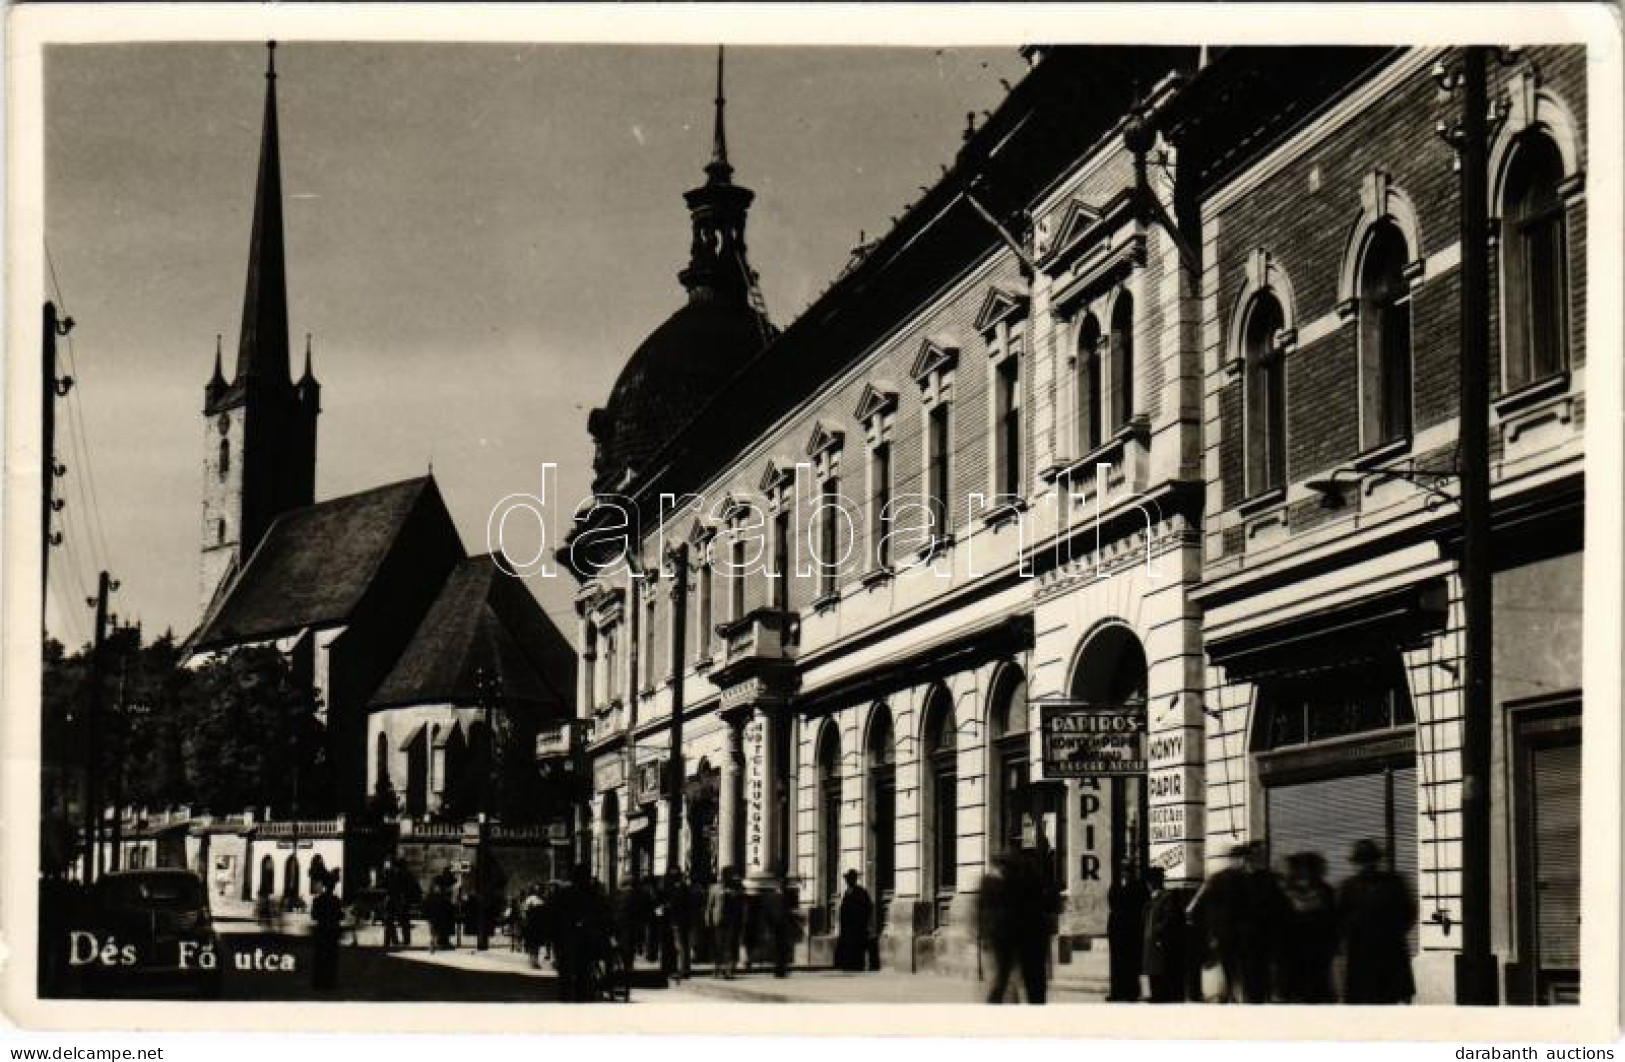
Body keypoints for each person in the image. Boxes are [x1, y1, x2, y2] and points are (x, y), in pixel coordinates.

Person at [1338, 839, 1417, 1004]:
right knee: (1362, 999)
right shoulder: (1347, 887)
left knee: (1388, 998)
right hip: (1360, 953)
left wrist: (1392, 932)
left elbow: (1408, 913)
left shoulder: (1394, 883)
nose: (1365, 865)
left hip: (1389, 952)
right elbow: (1339, 917)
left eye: (1369, 860)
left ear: (1376, 861)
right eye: (1361, 861)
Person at [979, 849, 1059, 1004]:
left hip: (1014, 939)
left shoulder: (997, 882)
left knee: (1005, 982)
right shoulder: (1026, 880)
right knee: (1027, 984)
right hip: (1021, 939)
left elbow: (988, 912)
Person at [1279, 852, 1338, 1004]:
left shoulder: (1325, 892)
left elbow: (1334, 924)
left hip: (1316, 955)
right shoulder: (1285, 894)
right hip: (1295, 956)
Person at [1141, 866, 1192, 1003]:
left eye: (1152, 882)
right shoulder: (1151, 901)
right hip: (1150, 942)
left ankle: (1161, 996)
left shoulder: (1167, 898)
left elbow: (1169, 919)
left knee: (1161, 971)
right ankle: (1156, 995)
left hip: (1159, 942)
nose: (1149, 885)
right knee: (1153, 972)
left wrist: (1158, 932)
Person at [1106, 860, 1150, 1001]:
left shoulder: (1139, 887)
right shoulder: (1117, 886)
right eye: (1124, 870)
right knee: (1117, 962)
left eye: (1128, 870)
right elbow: (1112, 903)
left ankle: (1130, 991)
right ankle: (1117, 991)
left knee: (1131, 963)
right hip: (1117, 930)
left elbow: (1143, 907)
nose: (1126, 873)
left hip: (1132, 930)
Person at [706, 866, 745, 979]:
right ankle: (717, 969)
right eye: (727, 875)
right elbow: (710, 905)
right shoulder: (714, 888)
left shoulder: (737, 888)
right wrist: (708, 918)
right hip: (718, 920)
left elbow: (741, 905)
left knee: (729, 945)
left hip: (732, 921)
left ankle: (728, 970)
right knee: (718, 946)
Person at [309, 871, 344, 991]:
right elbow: (340, 916)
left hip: (321, 930)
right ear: (333, 886)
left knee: (319, 957)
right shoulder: (336, 901)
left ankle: (318, 982)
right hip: (332, 931)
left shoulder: (317, 900)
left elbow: (313, 916)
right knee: (331, 957)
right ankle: (329, 982)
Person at [834, 869, 873, 972]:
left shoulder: (861, 891)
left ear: (854, 879)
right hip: (847, 927)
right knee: (848, 946)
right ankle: (848, 965)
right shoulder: (847, 892)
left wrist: (862, 920)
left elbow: (868, 907)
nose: (848, 881)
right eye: (847, 879)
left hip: (857, 926)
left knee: (856, 946)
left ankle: (856, 965)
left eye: (849, 879)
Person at [659, 870, 695, 980]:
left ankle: (682, 969)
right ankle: (686, 968)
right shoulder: (686, 888)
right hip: (685, 920)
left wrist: (664, 908)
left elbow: (674, 904)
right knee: (685, 945)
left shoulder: (679, 889)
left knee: (680, 946)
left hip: (677, 921)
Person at [521, 885, 549, 969]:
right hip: (531, 923)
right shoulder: (531, 899)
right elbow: (524, 910)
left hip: (539, 924)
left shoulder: (543, 900)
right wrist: (525, 920)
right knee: (532, 942)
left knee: (537, 943)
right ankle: (533, 960)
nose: (539, 891)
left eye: (540, 889)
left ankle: (535, 960)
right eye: (537, 889)